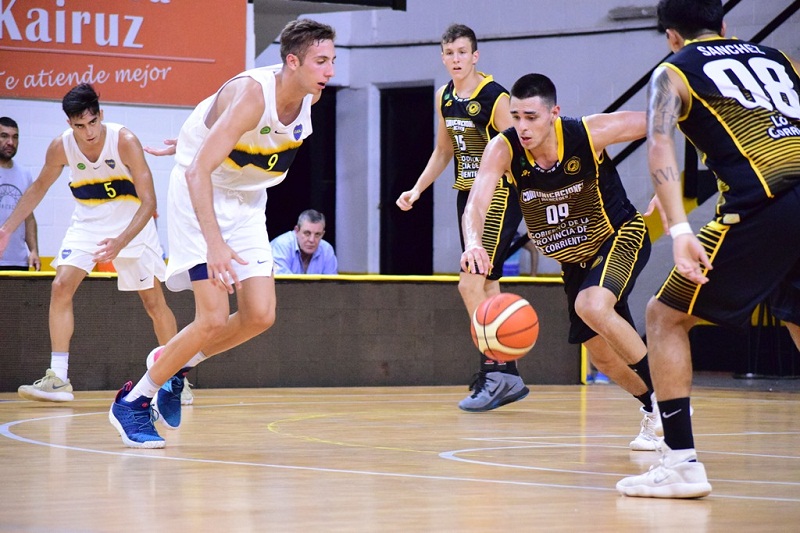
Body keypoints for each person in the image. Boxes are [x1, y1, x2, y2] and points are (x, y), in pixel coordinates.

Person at [108, 18, 336, 448]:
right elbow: (198, 170)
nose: (330, 71)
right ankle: (134, 400)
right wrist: (215, 243)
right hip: (201, 192)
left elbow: (221, 122)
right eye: (321, 61)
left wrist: (193, 136)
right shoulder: (254, 95)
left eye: (332, 60)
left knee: (260, 315)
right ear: (292, 61)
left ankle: (175, 362)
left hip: (246, 201)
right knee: (212, 317)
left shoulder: (310, 96)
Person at [617, 0, 800, 498]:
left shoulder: (673, 70)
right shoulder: (778, 58)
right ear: (723, 24)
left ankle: (680, 463)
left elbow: (659, 144)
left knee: (664, 318)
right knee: (795, 315)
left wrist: (679, 230)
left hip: (764, 202)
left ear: (672, 36)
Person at [461, 73, 661, 451]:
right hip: (575, 261)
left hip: (618, 235)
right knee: (602, 357)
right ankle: (653, 406)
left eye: (531, 117)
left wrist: (668, 187)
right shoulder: (504, 148)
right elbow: (476, 204)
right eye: (516, 116)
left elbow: (666, 119)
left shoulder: (588, 133)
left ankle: (671, 402)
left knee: (592, 305)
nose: (522, 126)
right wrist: (473, 243)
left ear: (554, 113)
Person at [0, 84, 181, 403]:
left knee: (153, 302)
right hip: (87, 224)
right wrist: (7, 228)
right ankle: (58, 378)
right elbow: (38, 188)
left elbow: (149, 201)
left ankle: (175, 378)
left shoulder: (124, 141)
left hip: (131, 224)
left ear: (101, 115)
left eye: (93, 122)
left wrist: (120, 241)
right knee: (60, 286)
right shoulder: (61, 147)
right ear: (69, 124)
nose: (89, 132)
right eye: (80, 126)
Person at [396, 24, 529, 412]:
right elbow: (443, 151)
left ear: (475, 56)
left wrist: (534, 202)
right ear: (443, 57)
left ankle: (495, 369)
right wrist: (417, 189)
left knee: (469, 283)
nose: (456, 59)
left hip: (498, 194)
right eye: (449, 53)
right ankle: (508, 374)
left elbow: (519, 152)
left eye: (462, 52)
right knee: (487, 284)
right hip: (466, 197)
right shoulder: (445, 96)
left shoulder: (495, 96)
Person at [0, 117, 40, 271]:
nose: (10, 142)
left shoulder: (24, 174)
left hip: (18, 261)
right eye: (4, 136)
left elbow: (28, 217)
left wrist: (34, 251)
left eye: (15, 137)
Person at [271, 208, 338, 274]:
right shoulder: (281, 245)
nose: (312, 240)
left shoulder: (327, 250)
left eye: (317, 234)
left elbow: (331, 281)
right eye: (307, 233)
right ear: (296, 231)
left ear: (322, 234)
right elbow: (281, 280)